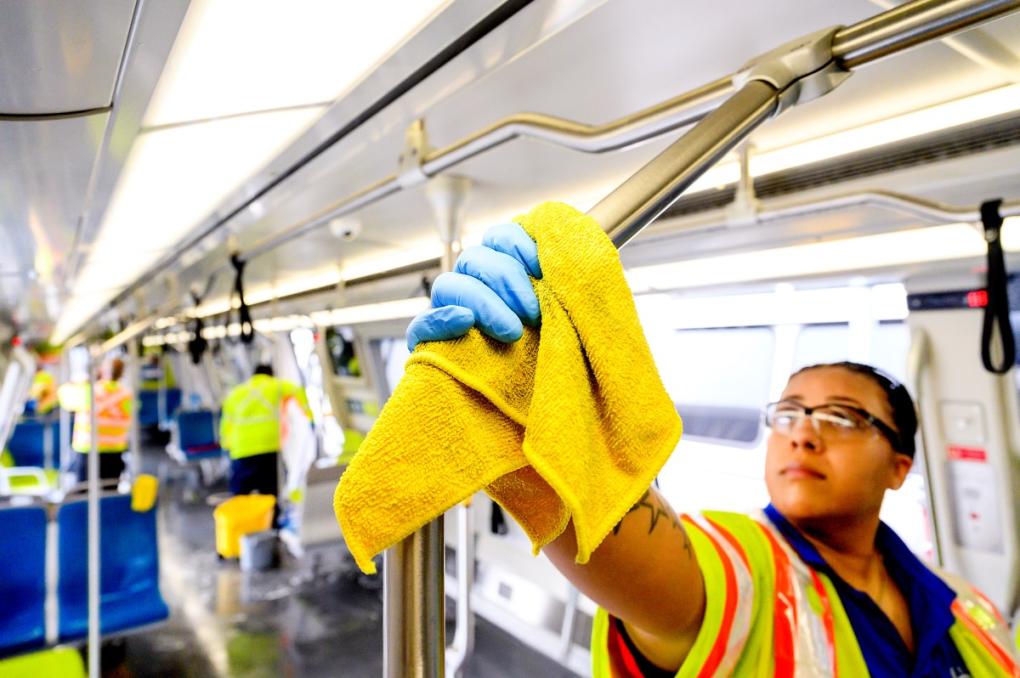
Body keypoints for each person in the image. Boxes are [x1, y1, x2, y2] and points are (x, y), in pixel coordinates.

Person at [406, 223, 1019, 676]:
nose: (804, 431)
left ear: (899, 466)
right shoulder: (748, 566)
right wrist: (522, 390)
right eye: (789, 412)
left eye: (841, 417)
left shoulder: (968, 608)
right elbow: (650, 568)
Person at [219, 364, 311, 500]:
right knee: (269, 491)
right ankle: (271, 519)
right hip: (268, 446)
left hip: (241, 449)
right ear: (271, 374)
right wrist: (308, 415)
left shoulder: (236, 393)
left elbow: (226, 423)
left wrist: (226, 444)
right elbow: (297, 390)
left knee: (240, 493)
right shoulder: (276, 385)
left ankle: (242, 519)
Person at [57, 357, 132, 483]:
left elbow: (63, 395)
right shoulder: (127, 394)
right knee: (110, 491)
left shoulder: (90, 390)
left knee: (85, 491)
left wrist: (81, 381)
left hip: (88, 449)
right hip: (115, 449)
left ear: (102, 371)